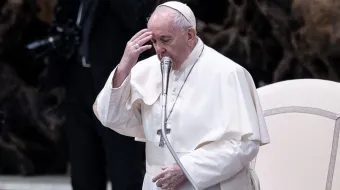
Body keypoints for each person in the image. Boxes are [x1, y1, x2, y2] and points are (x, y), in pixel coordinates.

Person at [93, 1, 270, 190]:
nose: (159, 48)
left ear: (190, 36)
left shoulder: (227, 73)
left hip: (209, 184)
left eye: (165, 40)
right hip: (157, 184)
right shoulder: (144, 70)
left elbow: (245, 144)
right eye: (154, 41)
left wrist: (187, 169)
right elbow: (109, 117)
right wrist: (123, 68)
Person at [48, 0, 155, 189]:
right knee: (83, 168)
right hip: (78, 80)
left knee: (124, 169)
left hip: (119, 83)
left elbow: (139, 18)